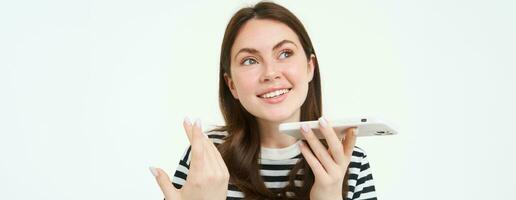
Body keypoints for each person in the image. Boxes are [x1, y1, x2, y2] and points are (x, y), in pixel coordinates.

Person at [149, 2, 377, 200]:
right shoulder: (207, 157)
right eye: (250, 60)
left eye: (285, 53)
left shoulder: (349, 160)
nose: (270, 73)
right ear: (231, 85)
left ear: (310, 67)